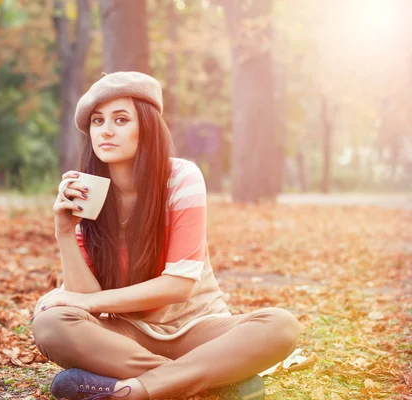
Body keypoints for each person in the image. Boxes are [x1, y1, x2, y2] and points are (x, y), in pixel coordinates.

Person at [31, 71, 302, 400]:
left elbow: (178, 286)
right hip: (127, 335)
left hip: (198, 328)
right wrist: (64, 231)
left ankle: (135, 389)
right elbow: (88, 300)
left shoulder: (181, 177)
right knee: (50, 324)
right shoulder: (89, 193)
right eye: (98, 121)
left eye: (121, 119)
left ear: (146, 125)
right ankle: (211, 384)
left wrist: (85, 301)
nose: (106, 130)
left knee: (281, 325)